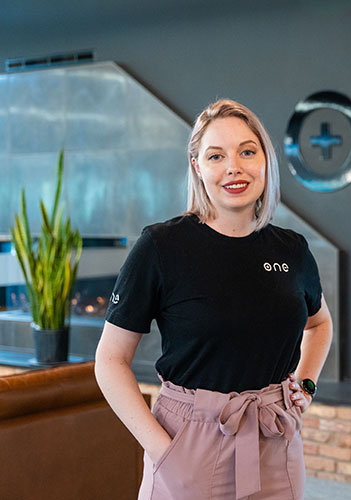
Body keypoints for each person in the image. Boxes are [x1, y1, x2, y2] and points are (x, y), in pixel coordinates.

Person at [94, 99, 333, 500]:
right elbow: (110, 360)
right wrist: (163, 451)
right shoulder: (161, 247)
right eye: (216, 156)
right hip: (188, 439)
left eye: (247, 152)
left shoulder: (291, 249)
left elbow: (320, 323)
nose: (233, 167)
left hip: (274, 435)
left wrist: (305, 385)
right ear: (197, 166)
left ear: (265, 161)